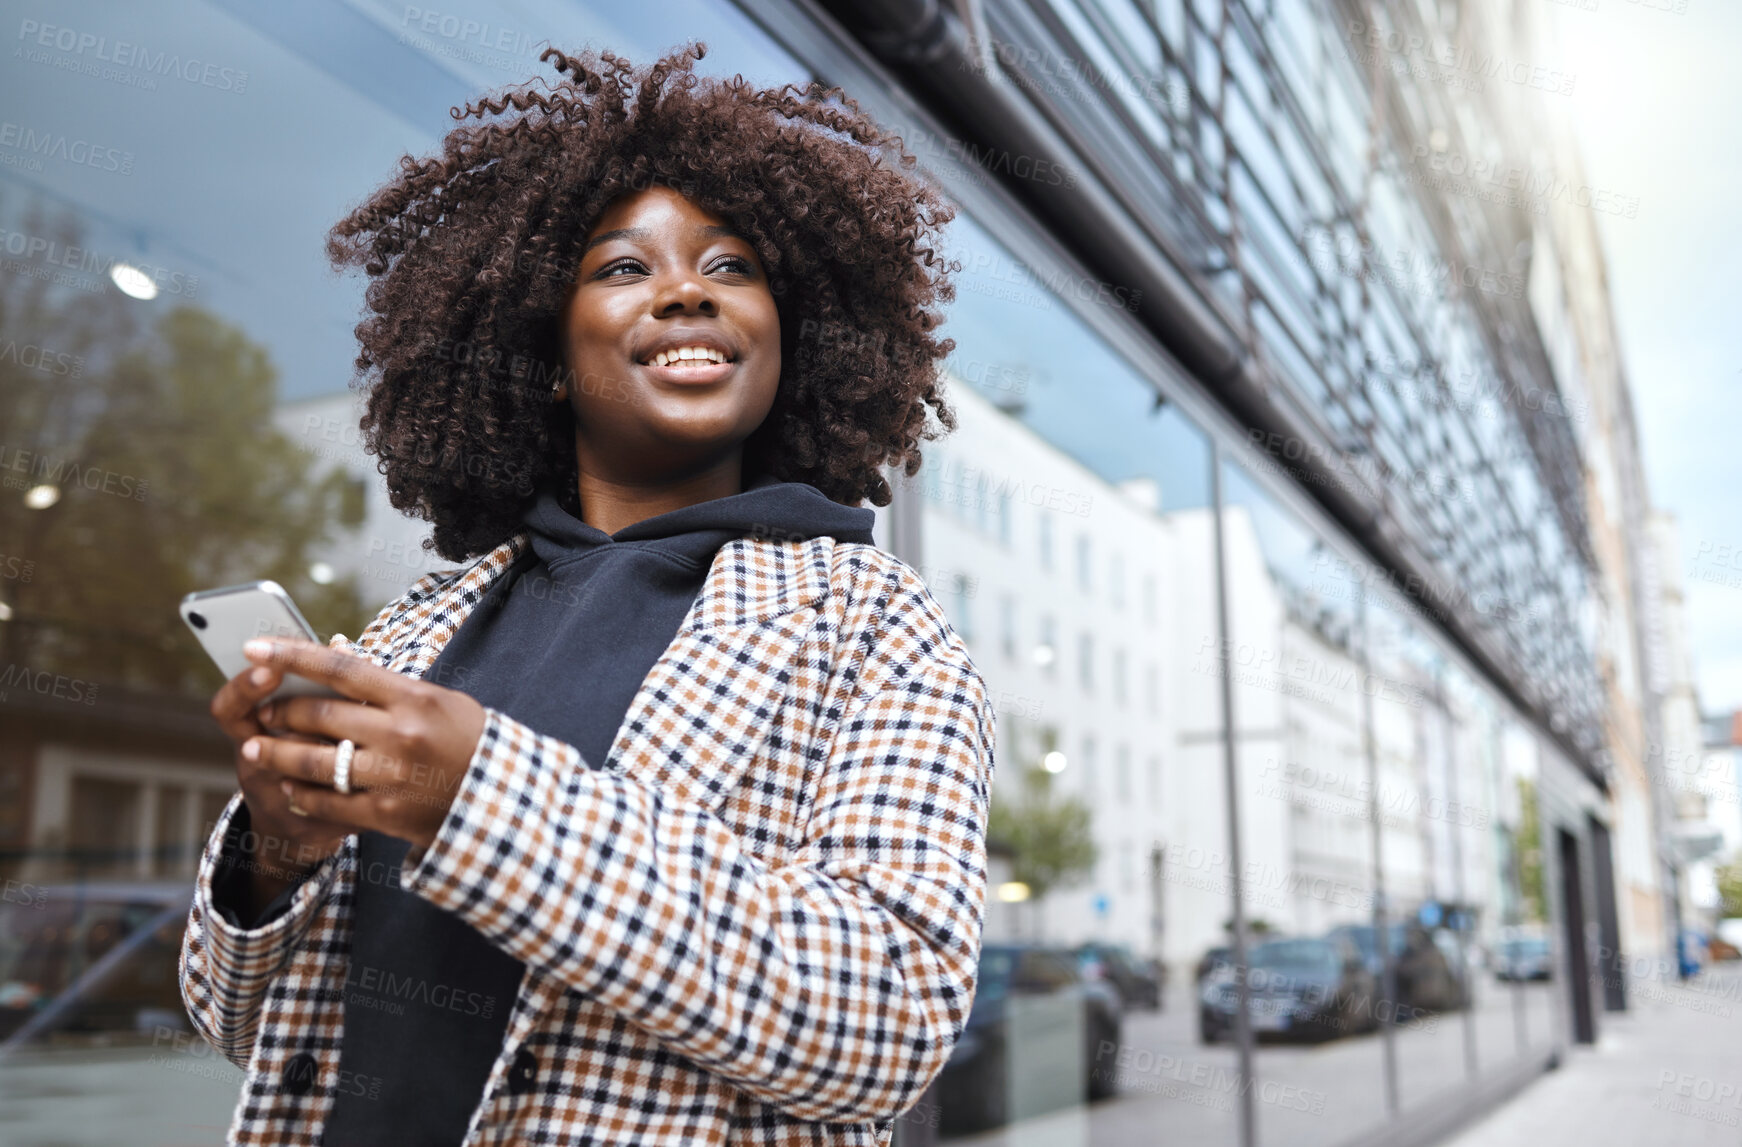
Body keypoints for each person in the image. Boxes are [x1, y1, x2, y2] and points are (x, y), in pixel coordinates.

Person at [180, 44, 994, 1146]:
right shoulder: (416, 629)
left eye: (732, 266)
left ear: (787, 338)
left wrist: (476, 795)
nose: (685, 289)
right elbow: (246, 1031)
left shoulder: (872, 623)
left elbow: (887, 1022)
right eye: (621, 269)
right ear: (548, 352)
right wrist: (273, 852)